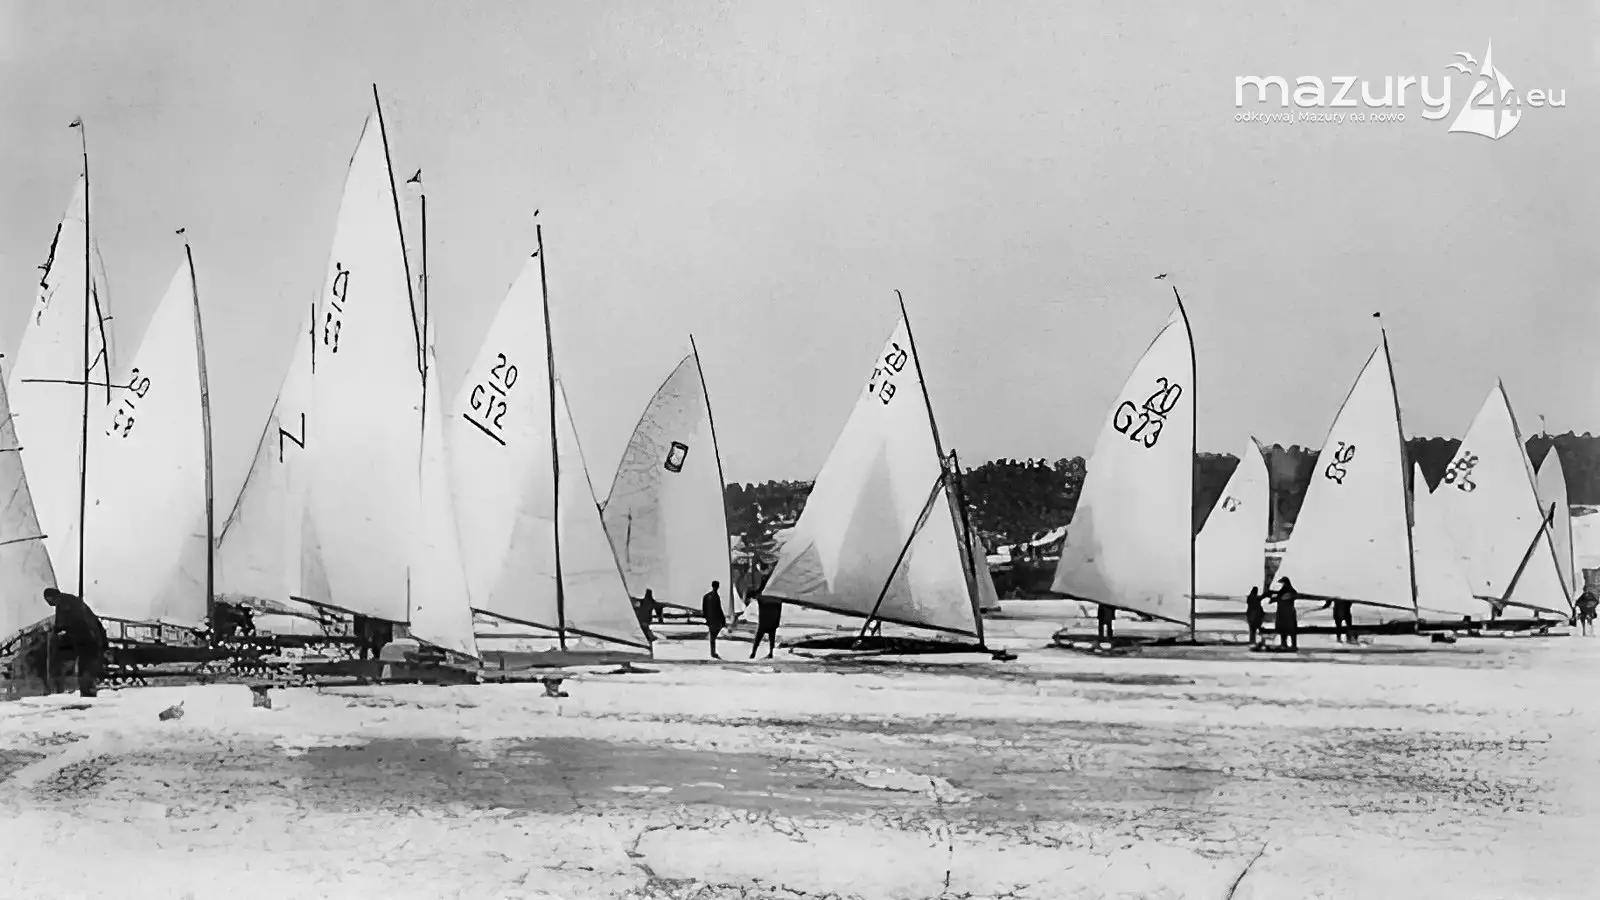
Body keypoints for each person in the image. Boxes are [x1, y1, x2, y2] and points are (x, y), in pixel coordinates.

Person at [43, 587, 107, 697]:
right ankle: (88, 692)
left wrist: (54, 631)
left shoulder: (62, 603)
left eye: (47, 600)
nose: (48, 603)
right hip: (94, 636)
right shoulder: (72, 600)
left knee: (85, 668)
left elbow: (61, 624)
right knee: (87, 667)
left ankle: (87, 694)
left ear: (51, 597)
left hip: (87, 638)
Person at [749, 591, 782, 660]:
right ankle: (771, 653)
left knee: (758, 639)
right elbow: (779, 611)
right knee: (772, 639)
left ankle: (753, 653)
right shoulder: (777, 599)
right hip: (772, 621)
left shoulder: (762, 598)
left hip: (763, 622)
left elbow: (754, 596)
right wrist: (777, 623)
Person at [1272, 577, 1299, 651]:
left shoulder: (1291, 591)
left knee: (1291, 629)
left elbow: (1293, 596)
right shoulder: (1282, 591)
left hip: (1288, 613)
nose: (1282, 584)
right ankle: (1284, 644)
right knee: (1283, 630)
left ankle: (1293, 645)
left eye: (1283, 583)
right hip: (1283, 612)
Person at [702, 581, 727, 659]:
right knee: (713, 635)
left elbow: (704, 609)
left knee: (713, 635)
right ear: (718, 587)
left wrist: (706, 618)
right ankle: (713, 653)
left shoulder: (706, 596)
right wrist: (723, 619)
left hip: (710, 619)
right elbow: (719, 609)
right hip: (715, 619)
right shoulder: (716, 597)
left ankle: (713, 652)